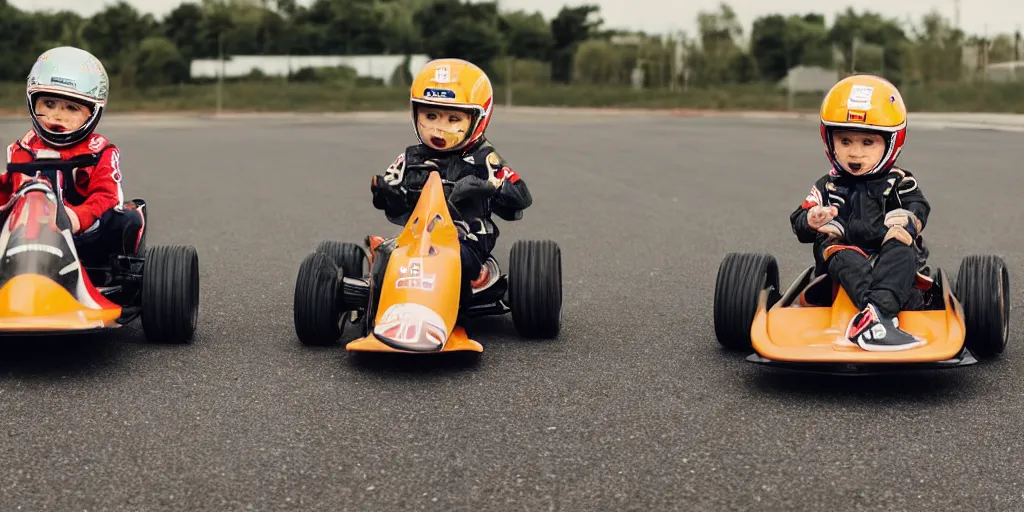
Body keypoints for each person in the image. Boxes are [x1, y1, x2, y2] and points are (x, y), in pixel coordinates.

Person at [789, 74, 932, 352]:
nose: (855, 153)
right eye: (845, 141)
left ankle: (874, 315)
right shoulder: (828, 185)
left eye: (867, 143)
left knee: (901, 245)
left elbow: (919, 207)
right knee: (841, 253)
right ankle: (880, 317)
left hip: (888, 255)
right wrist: (810, 220)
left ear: (891, 143)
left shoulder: (899, 181)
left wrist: (908, 220)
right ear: (830, 141)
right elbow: (799, 220)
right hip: (843, 256)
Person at [370, 58, 532, 294]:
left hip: (467, 237)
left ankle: (474, 278)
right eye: (431, 116)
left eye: (453, 119)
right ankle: (386, 282)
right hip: (417, 236)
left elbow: (521, 197)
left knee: (458, 260)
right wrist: (389, 193)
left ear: (478, 120)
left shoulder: (483, 158)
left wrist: (488, 187)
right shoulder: (410, 158)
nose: (439, 128)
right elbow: (388, 198)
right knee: (388, 259)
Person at [3, 46, 144, 273]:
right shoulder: (23, 148)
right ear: (32, 102)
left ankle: (114, 276)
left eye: (71, 108)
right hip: (25, 237)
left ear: (93, 113)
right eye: (49, 104)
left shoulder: (100, 152)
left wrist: (77, 217)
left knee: (126, 219)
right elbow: (8, 189)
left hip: (84, 238)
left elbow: (107, 195)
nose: (58, 115)